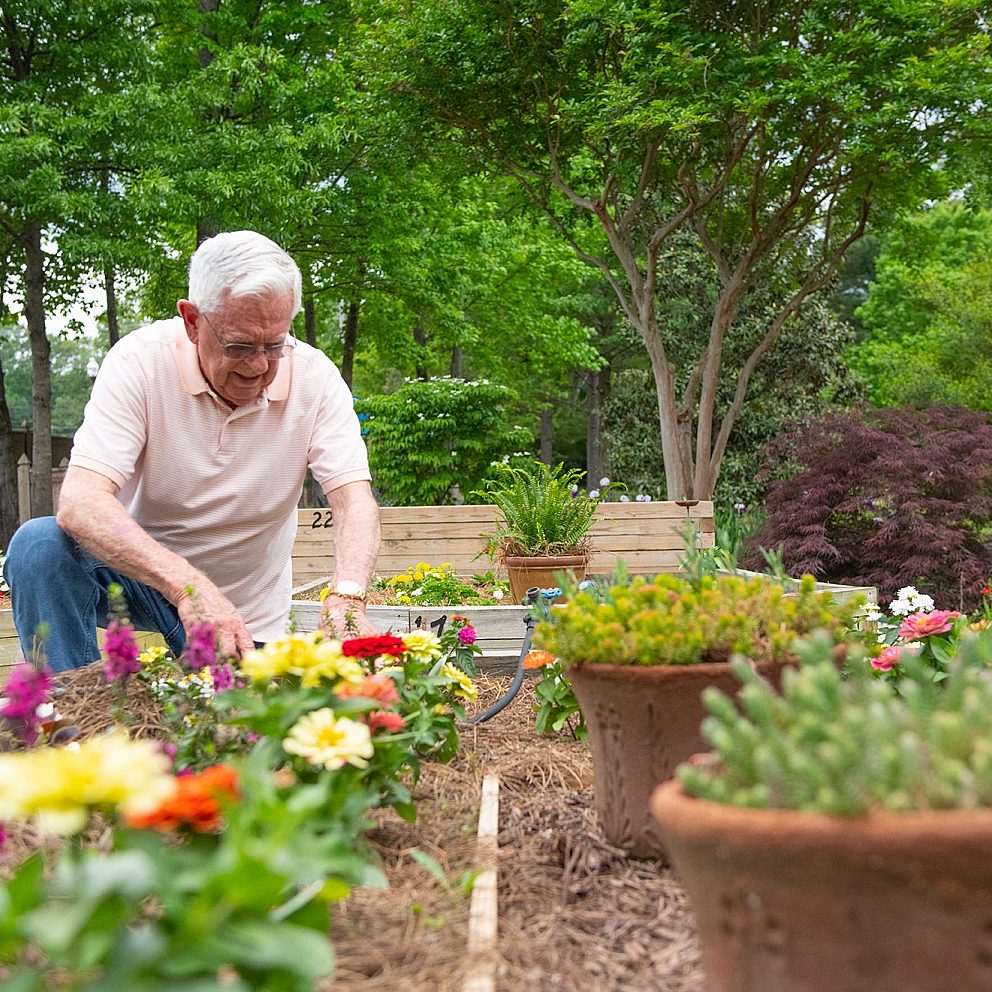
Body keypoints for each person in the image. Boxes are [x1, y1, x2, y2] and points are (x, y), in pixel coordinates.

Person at [3, 231, 380, 673]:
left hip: (247, 612)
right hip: (143, 577)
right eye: (239, 346)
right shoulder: (140, 363)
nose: (260, 365)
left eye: (275, 344)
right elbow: (81, 502)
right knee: (39, 546)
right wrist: (187, 587)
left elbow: (354, 500)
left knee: (241, 733)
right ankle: (76, 720)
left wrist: (348, 593)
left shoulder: (315, 378)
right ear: (193, 321)